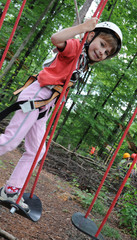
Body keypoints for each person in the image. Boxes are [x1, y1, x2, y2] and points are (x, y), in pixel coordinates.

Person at [0, 18, 123, 210]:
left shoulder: (83, 61)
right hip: (37, 95)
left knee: (37, 150)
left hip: (45, 104)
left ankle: (10, 190)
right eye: (102, 44)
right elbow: (56, 38)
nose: (102, 52)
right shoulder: (76, 47)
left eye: (107, 52)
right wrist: (82, 28)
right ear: (91, 36)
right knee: (10, 141)